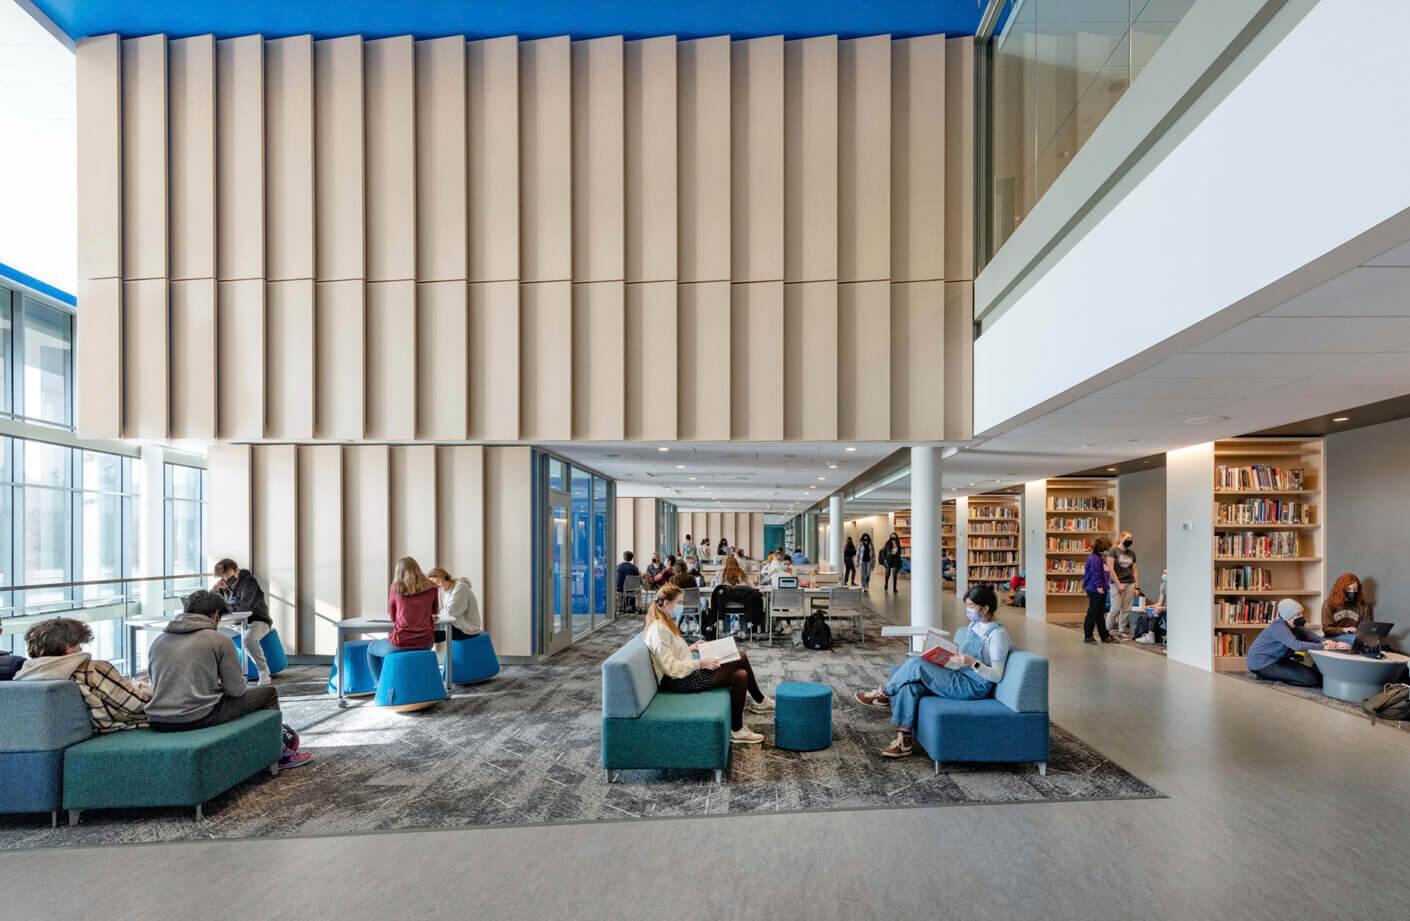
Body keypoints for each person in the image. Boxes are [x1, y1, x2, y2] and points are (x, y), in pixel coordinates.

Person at [145, 592, 313, 768]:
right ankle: (279, 753)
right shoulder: (218, 640)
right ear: (215, 615)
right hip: (196, 716)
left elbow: (159, 682)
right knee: (268, 694)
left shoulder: (159, 640)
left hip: (158, 719)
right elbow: (237, 690)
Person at [854, 585, 1011, 758]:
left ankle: (885, 693)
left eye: (972, 606)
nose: (968, 610)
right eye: (967, 605)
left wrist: (973, 662)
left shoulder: (998, 635)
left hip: (974, 686)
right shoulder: (974, 625)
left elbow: (997, 675)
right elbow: (965, 657)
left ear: (986, 608)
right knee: (910, 685)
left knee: (917, 663)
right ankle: (904, 740)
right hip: (960, 674)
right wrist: (948, 657)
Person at [641, 584, 773, 744]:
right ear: (667, 603)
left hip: (684, 675)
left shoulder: (663, 623)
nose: (682, 606)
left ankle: (737, 729)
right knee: (740, 657)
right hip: (680, 681)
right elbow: (671, 668)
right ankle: (759, 702)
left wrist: (691, 648)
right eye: (679, 602)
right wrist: (701, 663)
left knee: (741, 675)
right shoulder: (659, 629)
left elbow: (671, 654)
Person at [16, 617, 151, 733]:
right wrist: (141, 686)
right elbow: (138, 705)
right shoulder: (91, 670)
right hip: (109, 729)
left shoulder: (24, 676)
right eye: (79, 644)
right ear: (68, 647)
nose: (81, 649)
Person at [367, 557, 440, 685]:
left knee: (370, 648)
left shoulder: (395, 588)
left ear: (398, 572)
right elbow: (434, 611)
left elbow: (393, 618)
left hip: (401, 642)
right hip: (426, 642)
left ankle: (380, 686)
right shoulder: (432, 587)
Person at [1247, 599, 1350, 687]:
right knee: (1311, 680)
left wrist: (1329, 643)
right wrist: (1325, 647)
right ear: (1289, 616)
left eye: (1302, 613)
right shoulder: (1278, 627)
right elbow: (1297, 646)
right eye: (1298, 614)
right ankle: (1265, 675)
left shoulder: (1296, 627)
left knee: (1317, 676)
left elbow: (1316, 638)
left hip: (1279, 659)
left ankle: (1276, 674)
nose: (1302, 617)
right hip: (1262, 663)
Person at [212, 558, 276, 686]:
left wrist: (225, 608)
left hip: (257, 621)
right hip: (235, 623)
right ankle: (219, 676)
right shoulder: (224, 587)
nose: (226, 579)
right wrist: (214, 590)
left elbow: (244, 607)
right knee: (211, 637)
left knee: (248, 640)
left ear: (237, 571)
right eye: (223, 577)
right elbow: (212, 606)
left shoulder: (249, 583)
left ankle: (263, 671)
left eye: (228, 576)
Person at [427, 567, 480, 639]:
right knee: (424, 632)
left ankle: (423, 649)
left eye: (433, 580)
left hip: (466, 628)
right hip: (454, 625)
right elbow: (438, 609)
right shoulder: (443, 591)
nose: (432, 584)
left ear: (441, 577)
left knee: (427, 635)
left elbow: (451, 611)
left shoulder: (461, 587)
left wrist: (438, 614)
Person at [1084, 537, 1117, 644]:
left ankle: (1104, 635)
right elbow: (1095, 574)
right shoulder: (1094, 558)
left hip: (1101, 589)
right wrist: (1099, 587)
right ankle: (1088, 636)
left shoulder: (1099, 557)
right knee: (1093, 613)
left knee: (1100, 614)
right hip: (1095, 589)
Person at [1106, 532, 1139, 639]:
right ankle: (1106, 630)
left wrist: (1137, 587)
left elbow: (1134, 571)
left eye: (1131, 538)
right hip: (1117, 584)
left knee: (1126, 609)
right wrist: (1118, 584)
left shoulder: (1132, 553)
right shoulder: (1113, 551)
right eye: (1127, 538)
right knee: (1115, 609)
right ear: (1121, 538)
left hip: (1130, 583)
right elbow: (1111, 569)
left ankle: (1121, 631)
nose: (1129, 540)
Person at [1321, 573, 1372, 637]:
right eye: (1349, 589)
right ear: (1341, 590)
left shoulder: (1362, 605)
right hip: (1335, 637)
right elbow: (1327, 629)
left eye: (1355, 589)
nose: (1352, 592)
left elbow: (1367, 626)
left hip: (1356, 636)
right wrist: (1344, 630)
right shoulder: (1328, 603)